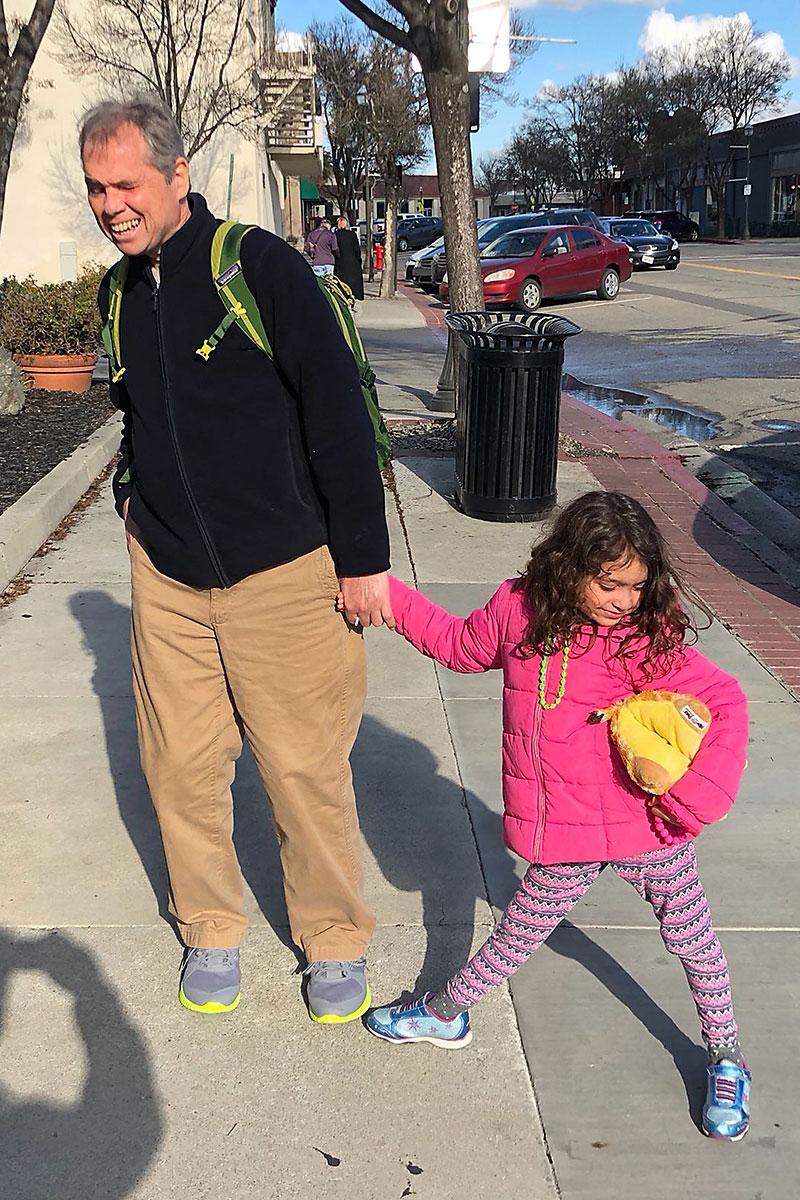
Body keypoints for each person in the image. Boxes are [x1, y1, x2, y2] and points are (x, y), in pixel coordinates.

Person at [81, 94, 394, 1024]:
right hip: (169, 577)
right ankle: (212, 926)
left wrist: (362, 557)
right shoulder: (119, 293)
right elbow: (137, 417)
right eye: (96, 188)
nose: (110, 205)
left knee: (302, 766)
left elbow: (337, 412)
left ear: (179, 178)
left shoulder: (261, 268)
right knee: (178, 764)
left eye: (125, 184)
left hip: (287, 570)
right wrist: (134, 506)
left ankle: (333, 938)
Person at [361, 491, 751, 1142]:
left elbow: (725, 699)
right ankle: (448, 1012)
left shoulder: (644, 634)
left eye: (636, 585)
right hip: (566, 828)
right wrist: (393, 601)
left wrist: (698, 797)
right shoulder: (519, 608)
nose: (624, 598)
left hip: (643, 824)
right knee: (522, 929)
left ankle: (728, 1057)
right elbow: (459, 646)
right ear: (569, 565)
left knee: (692, 939)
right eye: (610, 584)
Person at [333, 215, 365, 303]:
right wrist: (358, 259)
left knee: (341, 280)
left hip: (340, 261)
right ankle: (355, 294)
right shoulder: (352, 234)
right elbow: (357, 249)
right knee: (353, 280)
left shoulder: (335, 235)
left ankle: (343, 294)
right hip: (352, 261)